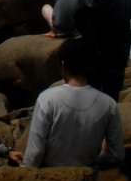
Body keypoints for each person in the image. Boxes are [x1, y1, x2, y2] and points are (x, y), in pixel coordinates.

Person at [24, 38, 124, 169]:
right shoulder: (109, 104)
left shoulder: (47, 98)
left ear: (63, 65)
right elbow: (116, 155)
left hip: (49, 177)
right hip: (86, 180)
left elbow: (34, 154)